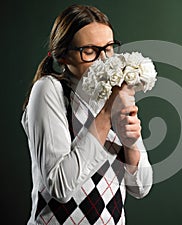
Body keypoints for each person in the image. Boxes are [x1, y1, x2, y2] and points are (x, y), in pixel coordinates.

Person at [21, 4, 153, 225]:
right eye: (90, 51)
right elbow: (60, 187)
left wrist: (131, 145)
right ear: (63, 56)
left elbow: (141, 188)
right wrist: (105, 115)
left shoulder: (115, 94)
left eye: (109, 48)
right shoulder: (49, 90)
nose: (104, 61)